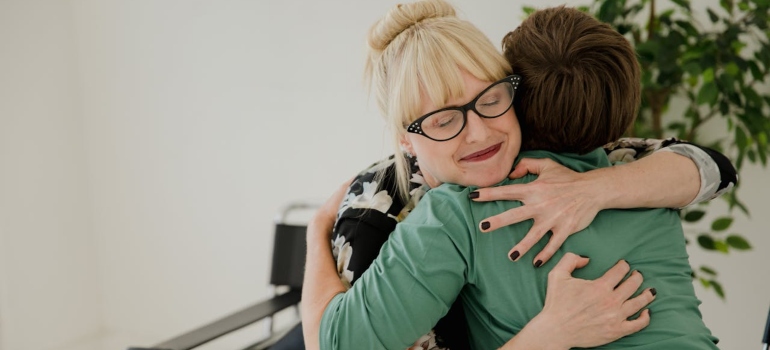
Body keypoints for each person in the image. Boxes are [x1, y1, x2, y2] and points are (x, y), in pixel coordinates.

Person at [298, 1, 733, 349]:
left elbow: (715, 167)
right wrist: (318, 232)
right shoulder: (375, 205)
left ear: (519, 95)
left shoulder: (633, 172)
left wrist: (593, 191)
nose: (480, 132)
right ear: (406, 139)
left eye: (490, 99)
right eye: (444, 120)